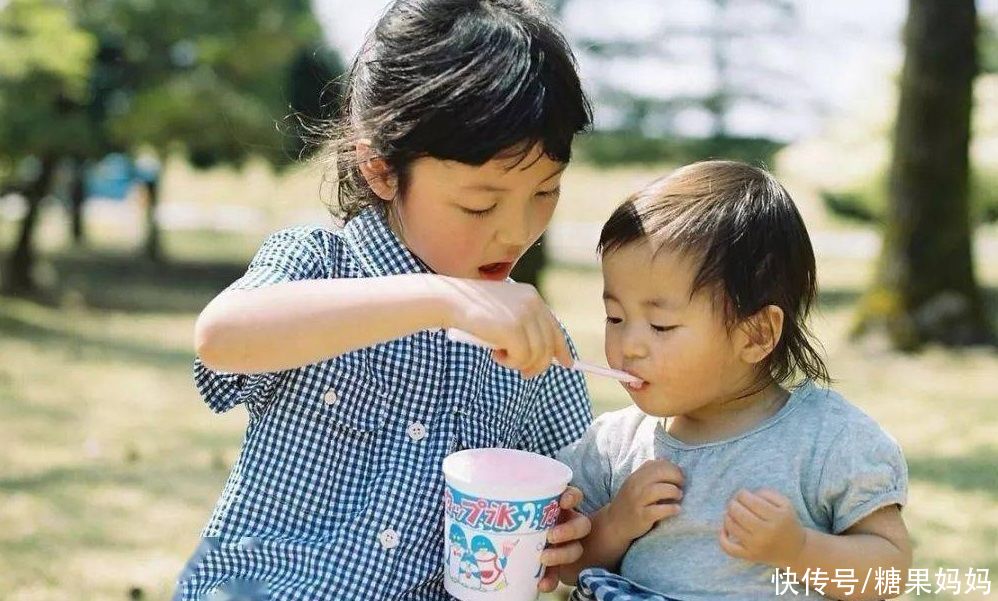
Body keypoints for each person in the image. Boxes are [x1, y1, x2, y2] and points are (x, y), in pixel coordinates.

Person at [173, 1, 595, 599]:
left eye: (546, 192)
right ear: (380, 168)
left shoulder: (534, 340)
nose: (516, 231)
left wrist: (569, 534)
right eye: (479, 204)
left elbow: (574, 493)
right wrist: (442, 299)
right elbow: (221, 338)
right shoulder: (319, 264)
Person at [558, 161, 912, 601]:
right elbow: (567, 564)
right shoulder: (614, 445)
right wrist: (614, 524)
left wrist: (798, 549)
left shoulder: (830, 441)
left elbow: (891, 576)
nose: (629, 345)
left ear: (757, 334)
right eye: (616, 317)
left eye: (661, 325)